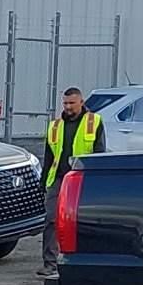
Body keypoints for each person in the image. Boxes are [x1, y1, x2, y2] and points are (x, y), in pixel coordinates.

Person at [40, 86, 101, 270]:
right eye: (65, 103)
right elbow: (49, 156)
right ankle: (50, 264)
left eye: (72, 103)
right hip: (58, 179)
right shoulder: (55, 126)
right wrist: (43, 182)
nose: (68, 107)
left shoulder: (94, 122)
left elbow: (99, 152)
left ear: (81, 103)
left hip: (82, 179)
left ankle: (81, 261)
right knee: (51, 219)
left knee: (81, 221)